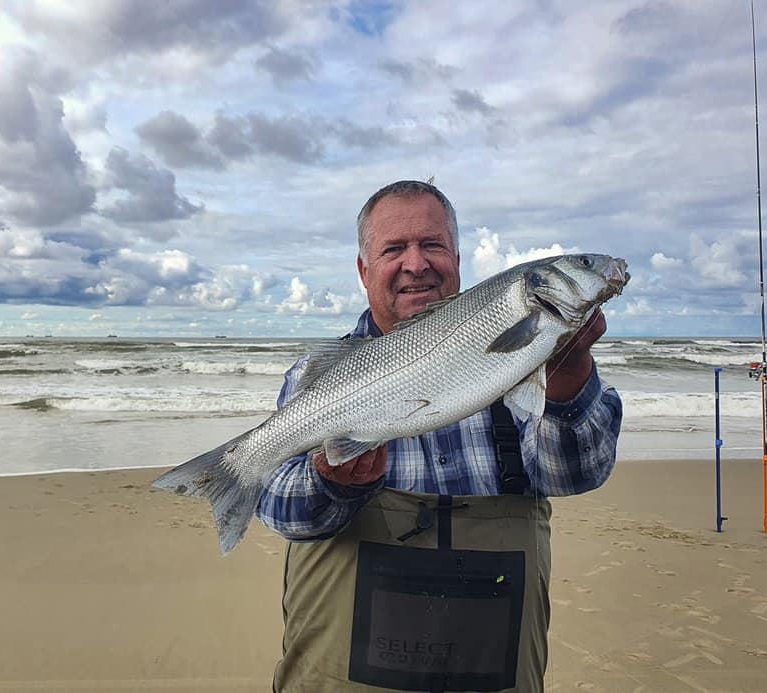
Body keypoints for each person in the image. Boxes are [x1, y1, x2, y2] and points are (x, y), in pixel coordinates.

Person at [256, 180, 622, 692]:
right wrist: (331, 483)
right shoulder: (322, 375)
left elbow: (577, 473)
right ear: (364, 271)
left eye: (431, 245)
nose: (415, 263)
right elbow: (277, 509)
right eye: (393, 249)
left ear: (455, 256)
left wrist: (569, 366)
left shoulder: (524, 350)